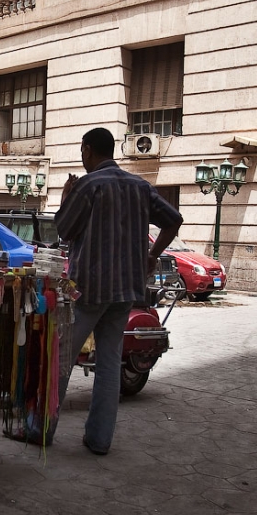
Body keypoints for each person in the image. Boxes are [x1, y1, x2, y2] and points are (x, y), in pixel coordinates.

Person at [22, 127, 183, 454]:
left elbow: (65, 230)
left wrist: (67, 196)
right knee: (109, 364)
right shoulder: (140, 187)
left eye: (82, 151)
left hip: (89, 290)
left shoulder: (89, 185)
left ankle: (40, 429)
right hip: (126, 291)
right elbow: (173, 220)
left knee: (61, 359)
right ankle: (99, 440)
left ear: (87, 150)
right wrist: (151, 256)